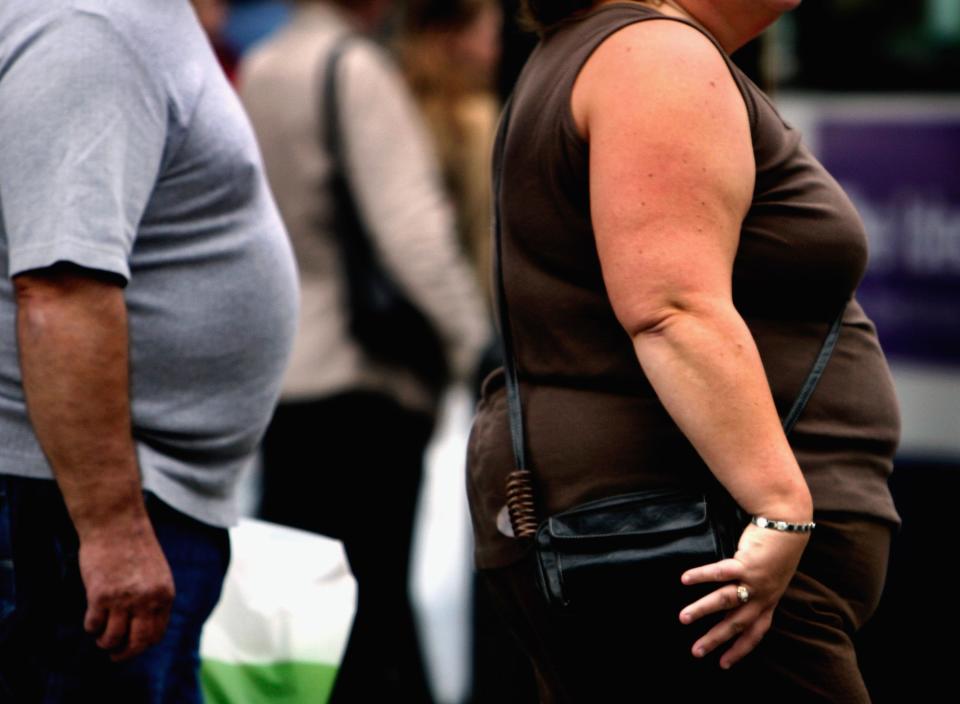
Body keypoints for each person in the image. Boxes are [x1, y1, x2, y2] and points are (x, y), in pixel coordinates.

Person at [466, 1, 901, 701]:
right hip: (699, 538)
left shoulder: (621, 49)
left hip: (670, 530)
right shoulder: (656, 56)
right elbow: (672, 308)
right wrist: (780, 504)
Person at [0, 1, 299, 702]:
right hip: (77, 513)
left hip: (115, 502)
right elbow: (60, 288)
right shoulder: (92, 25)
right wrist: (110, 529)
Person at [238, 1, 490, 702]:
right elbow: (413, 233)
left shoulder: (261, 67)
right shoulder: (355, 68)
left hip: (288, 373)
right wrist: (474, 345)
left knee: (298, 619)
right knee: (370, 612)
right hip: (365, 378)